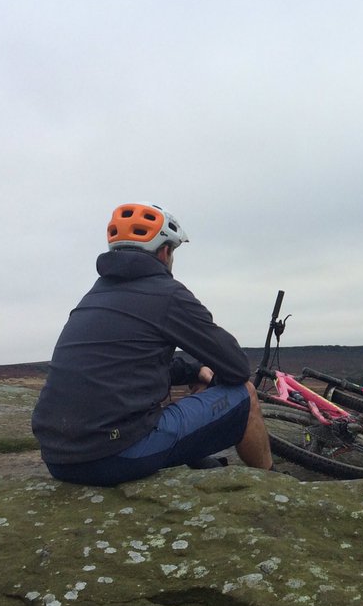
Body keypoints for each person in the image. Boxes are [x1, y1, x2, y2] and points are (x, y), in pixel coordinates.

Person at [31, 202, 273, 485]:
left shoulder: (93, 297)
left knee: (156, 403)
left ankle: (196, 461)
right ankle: (274, 490)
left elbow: (126, 370)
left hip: (59, 458)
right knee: (245, 394)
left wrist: (193, 372)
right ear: (165, 251)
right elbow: (237, 367)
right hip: (114, 456)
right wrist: (211, 375)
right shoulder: (168, 294)